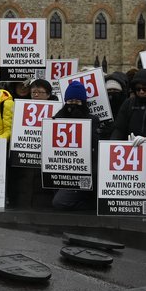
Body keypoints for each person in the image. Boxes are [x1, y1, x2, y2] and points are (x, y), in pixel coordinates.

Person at [50, 80, 98, 211]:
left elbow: (95, 146)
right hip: (61, 170)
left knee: (59, 202)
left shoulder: (92, 120)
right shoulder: (57, 119)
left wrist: (82, 122)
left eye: (77, 101)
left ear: (83, 102)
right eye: (70, 101)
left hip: (83, 173)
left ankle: (91, 208)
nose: (73, 104)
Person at [112, 68, 146, 142]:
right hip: (131, 147)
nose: (141, 92)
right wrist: (114, 144)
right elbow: (119, 128)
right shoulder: (128, 103)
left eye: (145, 89)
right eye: (138, 89)